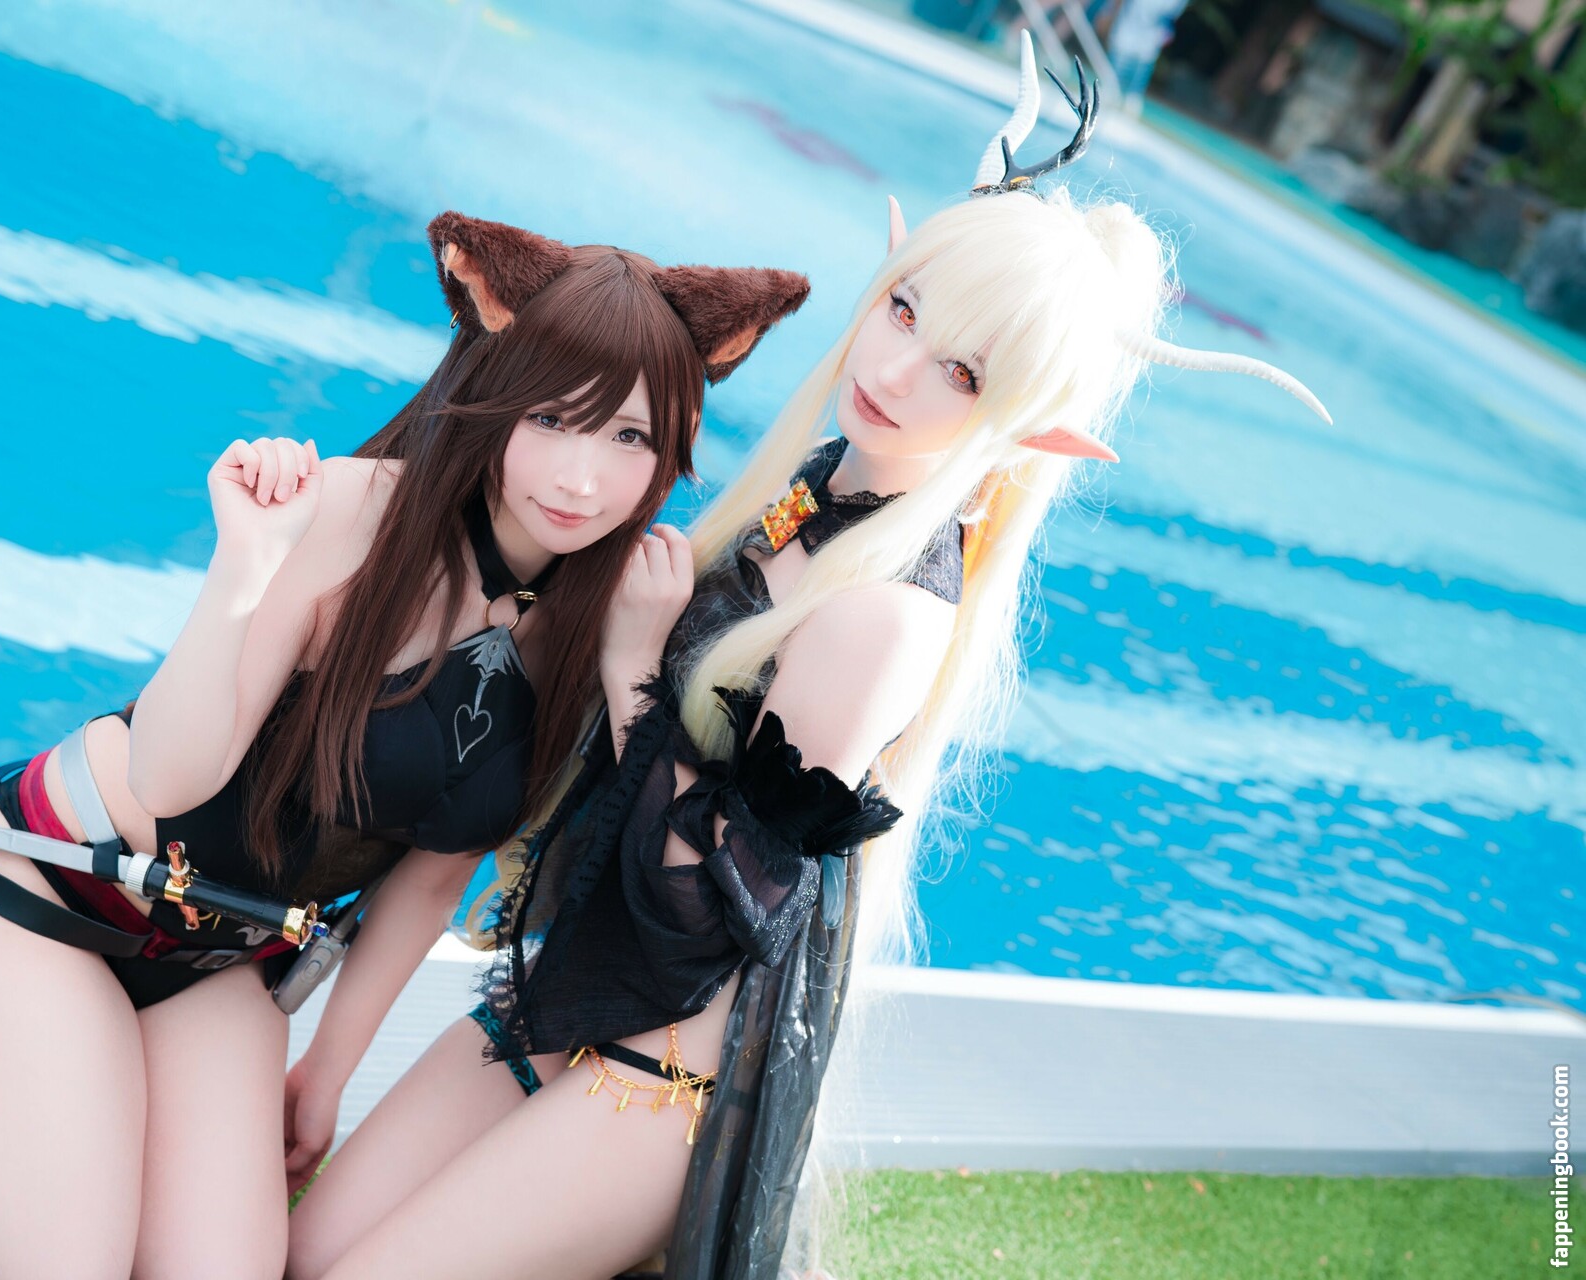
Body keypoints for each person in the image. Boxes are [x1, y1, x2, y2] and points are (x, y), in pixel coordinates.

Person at [280, 43, 1328, 1280]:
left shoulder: (885, 613)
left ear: (1024, 430)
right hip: (562, 992)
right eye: (905, 308)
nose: (895, 371)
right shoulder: (814, 493)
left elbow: (700, 913)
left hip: (663, 1068)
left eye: (964, 371)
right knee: (308, 1254)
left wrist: (631, 668)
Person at [0, 210, 809, 1278]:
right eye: (552, 417)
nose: (583, 479)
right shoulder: (354, 514)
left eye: (629, 437)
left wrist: (327, 1069)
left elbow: (436, 870)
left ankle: (14, 1028)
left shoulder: (597, 616)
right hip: (63, 881)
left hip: (219, 958)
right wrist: (245, 566)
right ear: (492, 386)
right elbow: (169, 775)